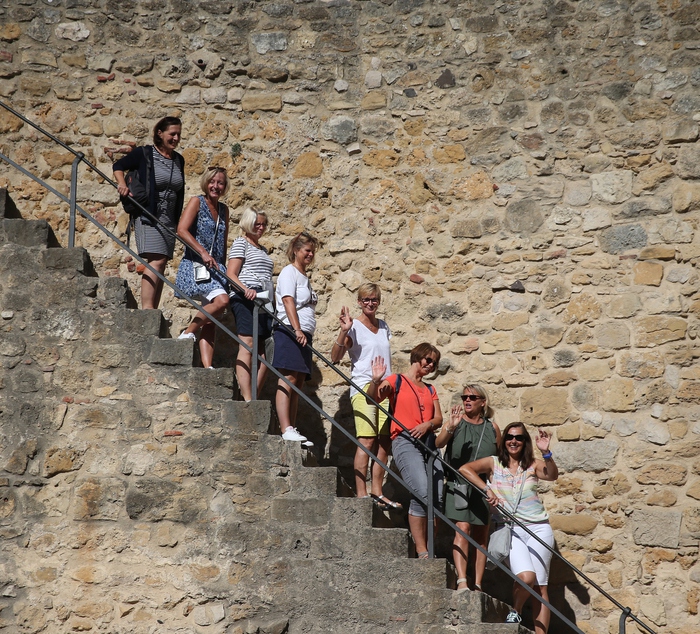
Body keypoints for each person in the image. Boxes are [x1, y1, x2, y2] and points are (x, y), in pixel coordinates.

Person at [459, 423, 558, 633]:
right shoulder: (494, 463)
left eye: (519, 438)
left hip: (538, 528)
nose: (514, 441)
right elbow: (465, 469)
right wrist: (487, 489)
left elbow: (551, 475)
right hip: (509, 528)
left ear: (525, 442)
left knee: (540, 586)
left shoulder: (532, 464)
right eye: (510, 437)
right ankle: (516, 610)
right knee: (526, 577)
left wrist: (546, 452)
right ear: (504, 441)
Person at [367, 343, 443, 559]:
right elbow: (373, 399)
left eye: (434, 363)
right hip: (405, 440)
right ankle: (421, 550)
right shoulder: (397, 380)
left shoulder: (430, 388)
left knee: (436, 499)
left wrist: (427, 425)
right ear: (417, 357)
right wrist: (376, 381)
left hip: (429, 443)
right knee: (421, 491)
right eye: (428, 359)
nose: (430, 365)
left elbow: (438, 418)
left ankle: (431, 547)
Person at [330, 284, 400, 510]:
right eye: (366, 299)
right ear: (359, 301)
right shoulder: (355, 327)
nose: (371, 303)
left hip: (385, 389)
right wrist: (344, 330)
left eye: (375, 299)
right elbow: (335, 357)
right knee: (367, 440)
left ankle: (377, 492)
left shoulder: (384, 326)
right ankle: (361, 494)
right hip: (363, 388)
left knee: (382, 443)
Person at [114, 116, 185, 309]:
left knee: (161, 263)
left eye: (179, 134)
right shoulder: (144, 153)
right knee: (157, 259)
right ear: (160, 133)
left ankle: (153, 308)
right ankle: (147, 308)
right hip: (149, 215)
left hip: (169, 218)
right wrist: (121, 184)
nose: (176, 138)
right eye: (172, 134)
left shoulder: (179, 160)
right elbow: (118, 166)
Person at [435, 384, 501, 592]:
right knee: (462, 530)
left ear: (483, 402)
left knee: (482, 536)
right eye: (465, 397)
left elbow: (498, 459)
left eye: (472, 397)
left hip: (483, 487)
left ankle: (478, 583)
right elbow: (438, 443)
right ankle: (462, 580)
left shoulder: (492, 428)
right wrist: (451, 427)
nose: (467, 400)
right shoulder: (456, 423)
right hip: (459, 484)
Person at [174, 167, 230, 369]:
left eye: (220, 183)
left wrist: (226, 271)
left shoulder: (224, 210)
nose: (216, 186)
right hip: (195, 263)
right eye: (212, 182)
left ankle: (207, 366)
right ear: (206, 183)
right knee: (221, 301)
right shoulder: (197, 201)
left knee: (212, 318)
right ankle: (188, 333)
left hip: (215, 269)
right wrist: (203, 252)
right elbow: (181, 230)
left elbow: (222, 245)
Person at [273, 231, 319, 444]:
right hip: (290, 332)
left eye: (312, 251)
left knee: (298, 382)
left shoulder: (304, 277)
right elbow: (288, 300)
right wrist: (297, 329)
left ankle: (292, 428)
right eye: (307, 250)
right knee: (288, 378)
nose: (311, 254)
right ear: (296, 251)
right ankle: (286, 428)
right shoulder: (289, 272)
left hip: (303, 334)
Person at [226, 208, 274, 401]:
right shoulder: (240, 243)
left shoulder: (262, 249)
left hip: (263, 299)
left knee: (265, 349)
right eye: (257, 224)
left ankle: (254, 393)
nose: (261, 227)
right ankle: (247, 397)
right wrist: (245, 289)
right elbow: (231, 274)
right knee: (247, 344)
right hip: (245, 297)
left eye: (263, 224)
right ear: (248, 223)